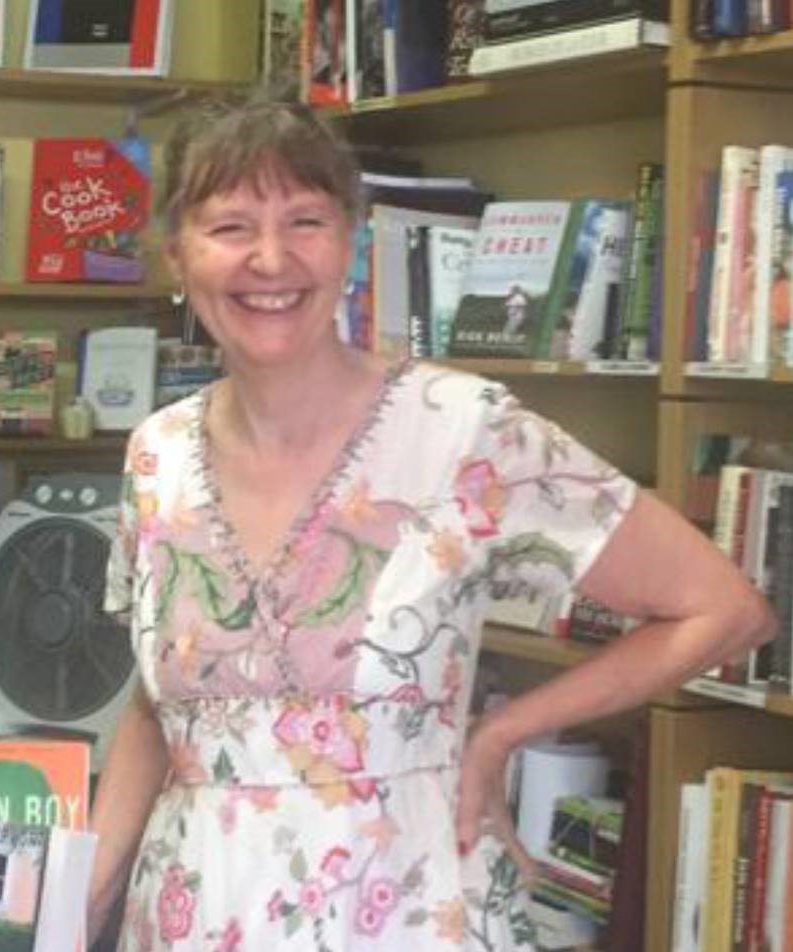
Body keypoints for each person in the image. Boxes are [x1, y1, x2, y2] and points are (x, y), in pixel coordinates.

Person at [87, 92, 775, 952]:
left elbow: (724, 608)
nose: (271, 258)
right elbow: (153, 714)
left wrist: (502, 732)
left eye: (306, 221)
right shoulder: (155, 455)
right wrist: (76, 912)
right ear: (176, 257)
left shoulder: (465, 431)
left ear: (350, 243)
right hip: (192, 916)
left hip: (406, 908)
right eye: (230, 227)